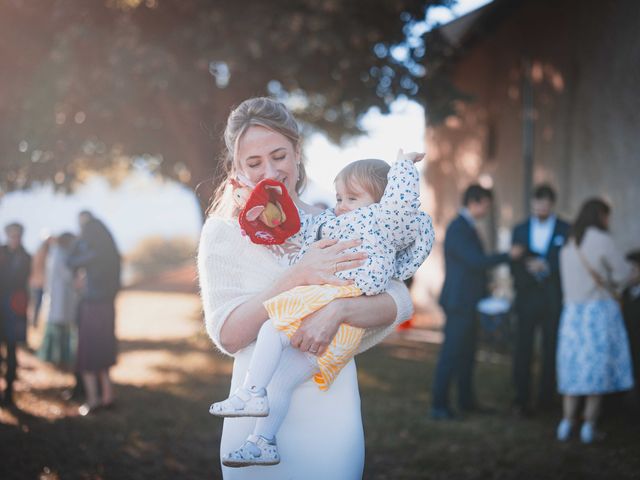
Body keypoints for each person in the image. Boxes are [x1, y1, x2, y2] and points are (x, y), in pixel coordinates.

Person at [198, 97, 415, 479]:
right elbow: (230, 335)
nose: (270, 171)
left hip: (330, 401)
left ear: (298, 153)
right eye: (254, 163)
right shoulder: (223, 232)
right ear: (237, 168)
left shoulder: (336, 220)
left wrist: (340, 312)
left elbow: (398, 298)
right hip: (253, 405)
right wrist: (298, 274)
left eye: (279, 155)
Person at [431, 185, 523, 420]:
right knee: (451, 354)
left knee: (468, 354)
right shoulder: (458, 228)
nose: (487, 210)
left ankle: (466, 401)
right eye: (486, 205)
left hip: (471, 301)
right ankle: (438, 406)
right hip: (459, 302)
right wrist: (507, 256)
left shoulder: (467, 227)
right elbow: (475, 261)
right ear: (475, 202)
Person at [555, 198, 637, 443]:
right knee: (595, 373)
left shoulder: (569, 244)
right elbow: (622, 276)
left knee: (572, 372)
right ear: (601, 216)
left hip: (571, 315)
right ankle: (589, 427)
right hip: (597, 314)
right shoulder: (602, 240)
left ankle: (566, 423)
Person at [510, 184, 570, 416]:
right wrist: (528, 269)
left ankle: (547, 398)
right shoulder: (520, 229)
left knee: (550, 348)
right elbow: (514, 262)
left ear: (552, 204)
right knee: (522, 349)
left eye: (545, 203)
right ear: (533, 203)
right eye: (538, 202)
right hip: (526, 297)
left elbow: (567, 261)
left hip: (553, 298)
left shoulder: (566, 228)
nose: (541, 207)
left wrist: (546, 267)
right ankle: (521, 399)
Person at [67, 212, 121, 415]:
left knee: (88, 355)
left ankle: (93, 400)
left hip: (91, 306)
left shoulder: (92, 254)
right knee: (104, 351)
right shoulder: (110, 253)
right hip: (107, 306)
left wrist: (79, 238)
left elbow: (69, 261)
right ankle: (107, 395)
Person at [0, 222, 31, 406]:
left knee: (12, 349)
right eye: (12, 235)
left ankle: (9, 390)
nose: (14, 238)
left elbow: (22, 280)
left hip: (15, 306)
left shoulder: (25, 257)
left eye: (17, 235)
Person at [38, 233, 79, 370]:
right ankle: (58, 358)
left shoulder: (59, 253)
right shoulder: (59, 254)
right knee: (58, 329)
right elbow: (66, 275)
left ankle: (61, 358)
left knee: (61, 327)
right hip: (59, 297)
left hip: (61, 297)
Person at [28, 236, 51, 327]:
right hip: (38, 283)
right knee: (37, 303)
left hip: (39, 282)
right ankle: (34, 322)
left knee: (38, 303)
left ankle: (35, 321)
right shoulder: (42, 253)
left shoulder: (42, 253)